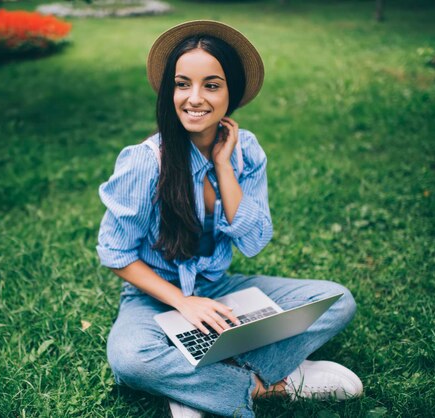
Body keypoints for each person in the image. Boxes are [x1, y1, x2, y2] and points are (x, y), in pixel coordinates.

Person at [96, 20, 362, 418]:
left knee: (336, 301)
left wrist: (223, 167)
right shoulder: (144, 161)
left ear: (230, 92)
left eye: (212, 85)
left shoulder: (245, 151)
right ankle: (271, 384)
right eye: (182, 83)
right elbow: (115, 253)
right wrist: (184, 303)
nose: (194, 98)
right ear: (170, 90)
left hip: (219, 288)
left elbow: (254, 241)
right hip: (154, 297)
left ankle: (195, 387)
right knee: (130, 358)